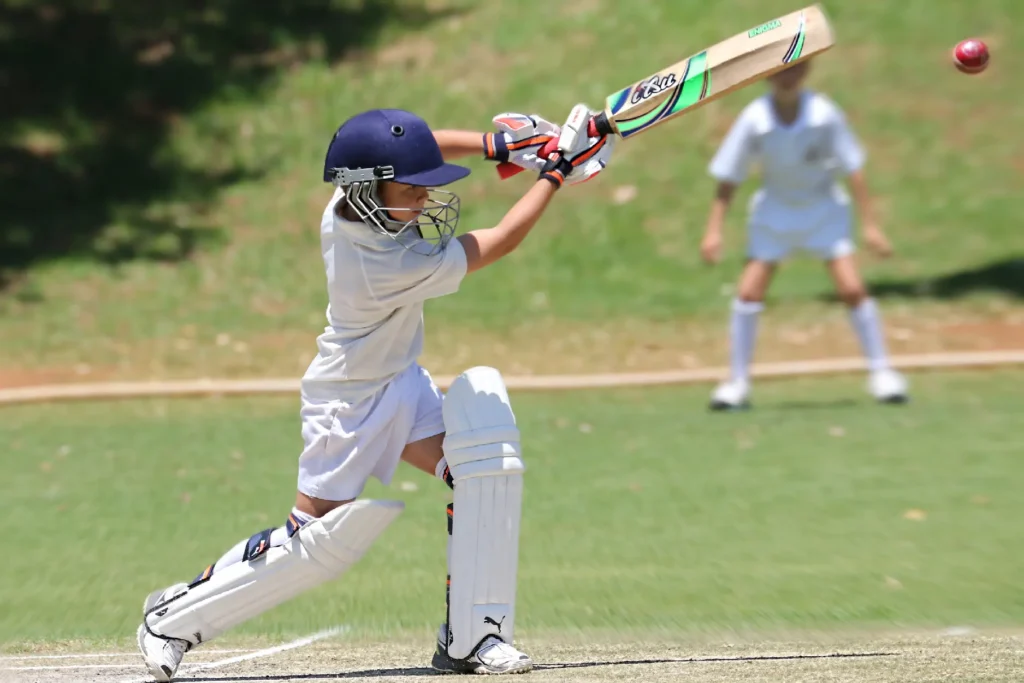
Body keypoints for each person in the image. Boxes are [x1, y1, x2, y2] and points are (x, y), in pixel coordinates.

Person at [135, 107, 613, 680]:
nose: (423, 202)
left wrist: (500, 145)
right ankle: (170, 619)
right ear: (366, 190)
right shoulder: (385, 260)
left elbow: (420, 144)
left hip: (401, 381)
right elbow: (501, 240)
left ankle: (473, 638)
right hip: (348, 402)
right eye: (411, 192)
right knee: (311, 544)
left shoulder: (354, 200)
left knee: (482, 471)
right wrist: (553, 172)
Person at [699, 59, 908, 410]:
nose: (787, 77)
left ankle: (882, 373)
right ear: (766, 75)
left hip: (823, 209)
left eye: (795, 69)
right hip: (775, 213)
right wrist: (713, 229)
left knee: (853, 289)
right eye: (779, 71)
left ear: (807, 72)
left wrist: (871, 226)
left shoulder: (824, 115)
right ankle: (736, 383)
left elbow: (853, 168)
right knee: (748, 293)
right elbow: (729, 174)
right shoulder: (754, 120)